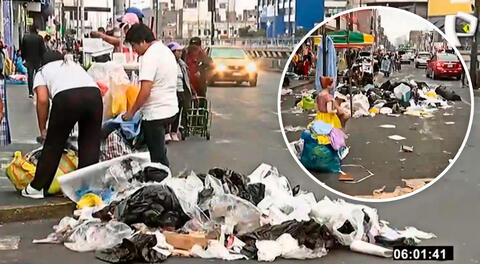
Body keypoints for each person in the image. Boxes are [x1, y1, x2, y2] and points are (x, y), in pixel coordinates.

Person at [21, 51, 103, 199]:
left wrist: (43, 129)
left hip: (66, 98)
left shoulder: (42, 71)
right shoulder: (74, 65)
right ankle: (85, 189)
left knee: (54, 144)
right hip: (94, 95)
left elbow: (43, 100)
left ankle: (37, 187)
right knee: (90, 143)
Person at [123, 24, 178, 166]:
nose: (134, 51)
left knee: (157, 159)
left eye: (134, 46)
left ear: (142, 41)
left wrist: (131, 112)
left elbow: (145, 90)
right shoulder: (165, 51)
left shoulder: (149, 56)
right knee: (159, 151)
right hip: (170, 110)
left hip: (155, 114)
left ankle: (163, 184)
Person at [166, 41, 196, 142]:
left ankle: (174, 131)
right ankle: (166, 132)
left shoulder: (182, 64)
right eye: (177, 51)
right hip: (171, 91)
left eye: (180, 51)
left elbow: (186, 79)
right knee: (169, 113)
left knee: (178, 112)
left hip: (181, 91)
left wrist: (192, 91)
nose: (180, 53)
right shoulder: (167, 64)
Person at [21, 25, 46, 98]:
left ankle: (30, 92)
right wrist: (43, 59)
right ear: (36, 30)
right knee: (38, 76)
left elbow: (23, 49)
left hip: (29, 59)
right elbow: (43, 50)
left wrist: (23, 58)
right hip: (38, 60)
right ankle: (38, 91)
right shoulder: (39, 38)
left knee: (30, 76)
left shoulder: (25, 37)